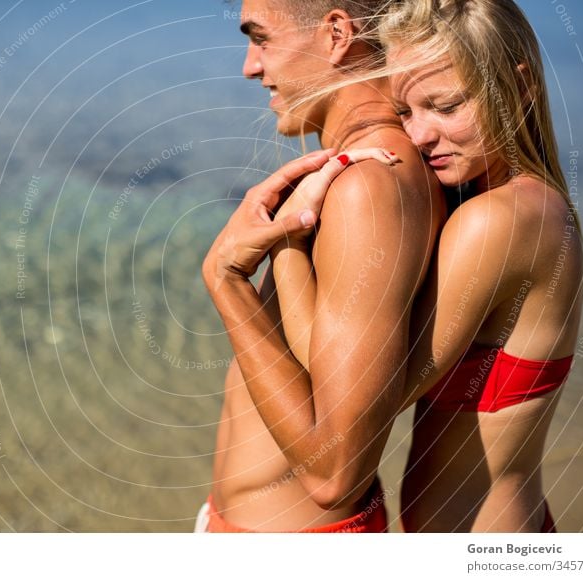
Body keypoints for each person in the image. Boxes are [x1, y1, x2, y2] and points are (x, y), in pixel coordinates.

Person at [267, 0, 583, 532]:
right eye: (407, 112)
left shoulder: (500, 221)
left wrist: (286, 242)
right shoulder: (521, 200)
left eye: (446, 105)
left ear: (520, 86)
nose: (418, 136)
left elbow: (358, 408)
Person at [198, 0, 443, 532]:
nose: (250, 66)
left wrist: (226, 280)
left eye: (261, 38)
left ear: (336, 33)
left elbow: (335, 474)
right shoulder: (355, 174)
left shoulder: (369, 187)